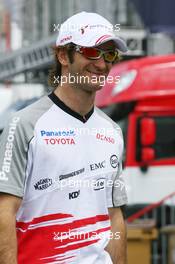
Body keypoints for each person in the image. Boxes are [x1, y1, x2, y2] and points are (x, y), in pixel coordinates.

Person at [0, 11, 128, 264]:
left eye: (109, 54)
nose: (102, 64)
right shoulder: (24, 125)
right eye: (91, 52)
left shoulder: (112, 131)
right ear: (62, 55)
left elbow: (114, 217)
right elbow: (4, 212)